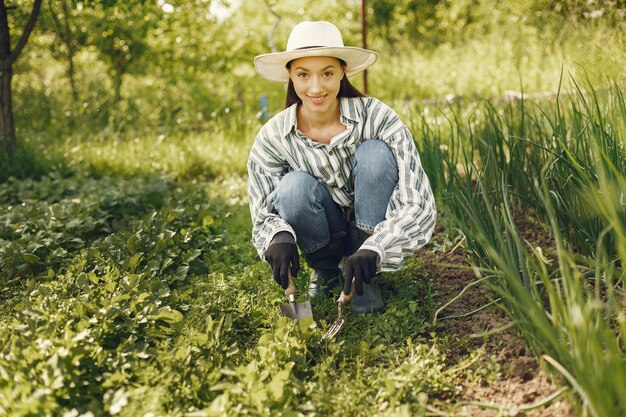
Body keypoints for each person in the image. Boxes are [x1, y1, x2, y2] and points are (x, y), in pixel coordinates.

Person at [248, 20, 436, 314]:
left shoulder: (377, 117)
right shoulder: (273, 136)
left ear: (343, 71)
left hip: (372, 232)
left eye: (327, 73)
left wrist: (376, 247)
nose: (315, 87)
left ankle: (365, 274)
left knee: (374, 153)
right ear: (290, 76)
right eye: (303, 74)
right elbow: (262, 210)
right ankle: (325, 270)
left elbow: (417, 202)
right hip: (323, 231)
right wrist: (277, 237)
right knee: (293, 187)